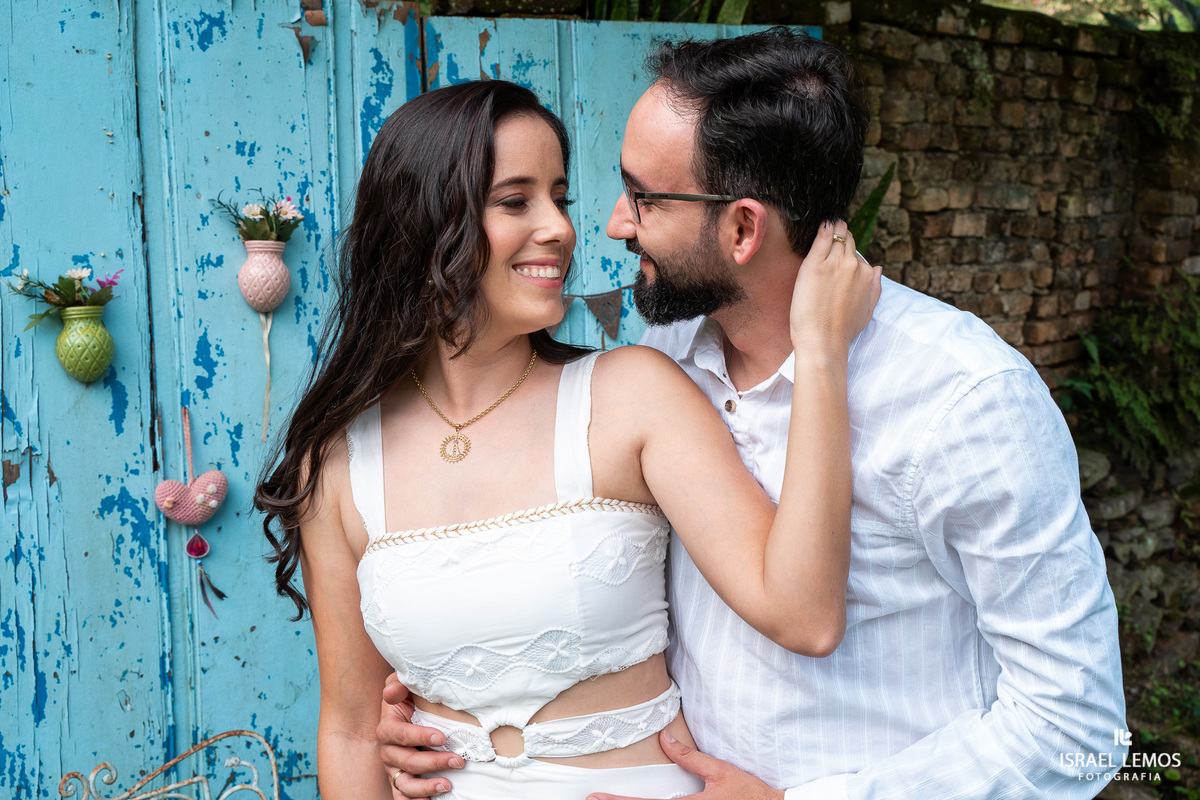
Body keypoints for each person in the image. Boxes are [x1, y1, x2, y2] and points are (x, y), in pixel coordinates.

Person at [379, 28, 1128, 800]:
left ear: (742, 228)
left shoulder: (965, 401)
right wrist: (450, 713)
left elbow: (1079, 728)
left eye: (643, 196)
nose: (613, 224)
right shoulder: (668, 352)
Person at [255, 78, 878, 800]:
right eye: (515, 201)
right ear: (423, 223)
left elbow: (804, 613)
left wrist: (821, 353)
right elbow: (352, 728)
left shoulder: (630, 395)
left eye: (559, 197)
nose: (560, 228)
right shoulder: (337, 463)